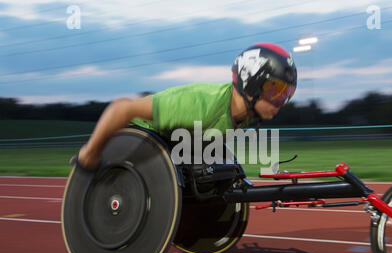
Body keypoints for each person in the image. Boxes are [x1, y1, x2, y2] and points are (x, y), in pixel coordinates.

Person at [76, 42, 297, 170]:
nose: (281, 100)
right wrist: (90, 153)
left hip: (177, 141)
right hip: (140, 134)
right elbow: (121, 108)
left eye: (286, 93)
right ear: (251, 83)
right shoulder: (198, 105)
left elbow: (211, 137)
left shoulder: (248, 113)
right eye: (274, 90)